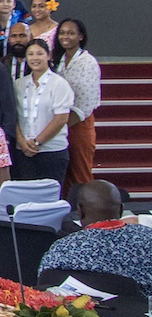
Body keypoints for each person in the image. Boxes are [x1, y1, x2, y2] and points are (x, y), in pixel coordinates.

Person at [39, 181, 152, 295]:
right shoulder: (148, 238)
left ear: (80, 211)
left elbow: (44, 286)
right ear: (121, 210)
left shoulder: (62, 249)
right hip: (139, 311)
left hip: (82, 311)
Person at [13, 39, 73, 183]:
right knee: (26, 198)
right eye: (31, 54)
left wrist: (37, 142)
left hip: (52, 152)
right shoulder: (18, 84)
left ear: (48, 56)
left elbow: (61, 119)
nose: (35, 58)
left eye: (39, 54)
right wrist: (21, 141)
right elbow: (13, 116)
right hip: (23, 152)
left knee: (49, 199)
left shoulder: (59, 84)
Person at [53, 19, 100, 192]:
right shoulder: (58, 60)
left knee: (80, 173)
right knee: (63, 175)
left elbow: (86, 101)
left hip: (78, 123)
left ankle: (86, 211)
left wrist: (63, 124)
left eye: (71, 33)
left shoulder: (88, 62)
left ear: (80, 36)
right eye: (62, 33)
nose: (66, 37)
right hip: (59, 122)